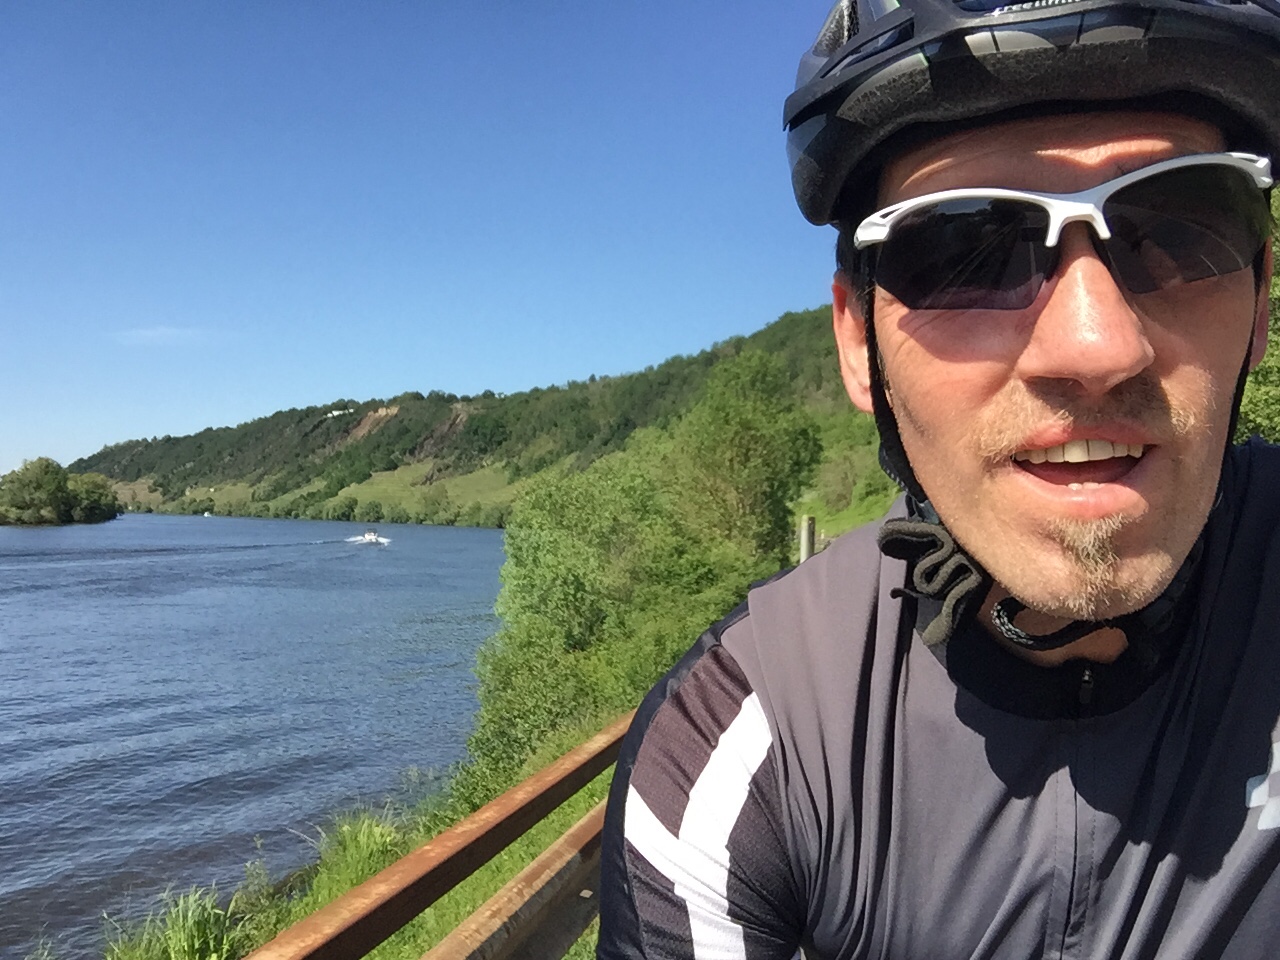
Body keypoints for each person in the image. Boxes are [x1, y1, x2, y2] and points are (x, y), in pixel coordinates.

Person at [596, 0, 1280, 957]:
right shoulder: (746, 755)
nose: (1096, 346)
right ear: (858, 343)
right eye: (967, 249)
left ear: (1261, 295)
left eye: (1180, 225)